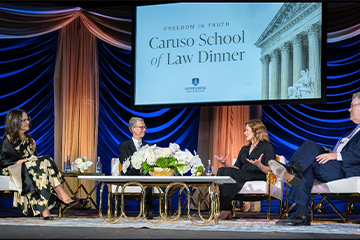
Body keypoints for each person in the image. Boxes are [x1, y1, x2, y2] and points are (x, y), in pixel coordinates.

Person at [269, 91, 360, 226]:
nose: (349, 109)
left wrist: (336, 155)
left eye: (353, 105)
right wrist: (327, 151)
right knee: (308, 160)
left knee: (310, 148)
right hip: (335, 167)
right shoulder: (351, 133)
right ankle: (301, 214)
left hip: (347, 169)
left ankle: (292, 170)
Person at [0, 109, 78, 220]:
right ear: (15, 122)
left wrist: (29, 161)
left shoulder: (31, 141)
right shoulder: (8, 139)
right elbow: (3, 160)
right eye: (24, 120)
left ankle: (45, 211)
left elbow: (35, 160)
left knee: (42, 168)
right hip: (12, 169)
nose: (28, 122)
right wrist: (20, 162)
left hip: (30, 168)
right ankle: (60, 195)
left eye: (28, 119)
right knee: (45, 160)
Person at [214, 119, 276, 220]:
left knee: (227, 172)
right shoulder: (244, 149)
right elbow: (237, 168)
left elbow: (270, 170)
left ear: (256, 131)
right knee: (222, 170)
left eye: (247, 130)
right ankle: (224, 208)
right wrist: (225, 164)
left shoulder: (267, 147)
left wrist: (259, 165)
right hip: (244, 174)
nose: (244, 133)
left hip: (258, 175)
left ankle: (225, 209)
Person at [118, 117, 154, 219]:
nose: (144, 130)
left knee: (147, 174)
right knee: (146, 175)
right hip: (131, 174)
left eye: (144, 127)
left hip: (144, 174)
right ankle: (147, 208)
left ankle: (147, 209)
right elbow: (125, 162)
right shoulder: (123, 146)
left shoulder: (149, 146)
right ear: (133, 129)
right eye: (141, 127)